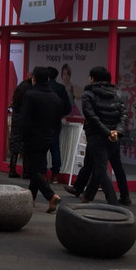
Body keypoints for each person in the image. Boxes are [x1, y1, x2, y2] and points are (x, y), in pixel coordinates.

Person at [77, 66, 128, 206]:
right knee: (100, 166)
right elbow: (123, 115)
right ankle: (88, 195)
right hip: (113, 137)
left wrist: (107, 132)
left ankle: (112, 201)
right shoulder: (118, 94)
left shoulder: (88, 95)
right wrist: (116, 131)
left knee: (100, 168)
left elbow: (92, 117)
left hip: (97, 136)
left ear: (92, 78)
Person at [19, 66, 63, 213]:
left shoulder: (31, 95)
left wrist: (22, 140)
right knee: (37, 168)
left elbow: (25, 121)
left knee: (31, 170)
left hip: (32, 138)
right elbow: (58, 122)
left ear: (34, 79)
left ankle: (51, 195)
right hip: (48, 138)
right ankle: (30, 199)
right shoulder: (55, 97)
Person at [46, 66, 72, 181]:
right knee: (55, 147)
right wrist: (60, 114)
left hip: (43, 121)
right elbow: (68, 107)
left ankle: (42, 173)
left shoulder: (43, 87)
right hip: (56, 121)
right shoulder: (61, 88)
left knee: (42, 148)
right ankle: (55, 174)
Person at [7, 77, 32, 178]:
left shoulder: (17, 98)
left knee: (15, 146)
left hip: (16, 121)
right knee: (26, 146)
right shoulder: (28, 95)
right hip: (25, 122)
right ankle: (26, 171)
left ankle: (12, 169)